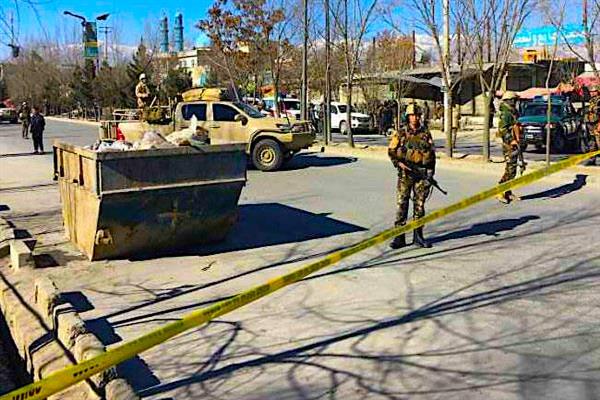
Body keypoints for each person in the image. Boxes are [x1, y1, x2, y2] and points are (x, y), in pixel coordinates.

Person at [388, 103, 436, 249]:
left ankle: (418, 235)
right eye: (412, 115)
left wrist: (430, 174)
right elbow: (391, 151)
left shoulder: (425, 133)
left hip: (421, 174)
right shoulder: (401, 133)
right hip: (405, 174)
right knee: (402, 204)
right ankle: (399, 237)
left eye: (417, 115)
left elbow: (431, 155)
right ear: (408, 117)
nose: (415, 118)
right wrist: (399, 163)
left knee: (419, 205)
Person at [496, 91, 521, 204]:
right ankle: (500, 191)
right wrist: (511, 140)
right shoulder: (506, 113)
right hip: (509, 145)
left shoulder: (512, 111)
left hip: (515, 144)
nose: (515, 102)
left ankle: (508, 192)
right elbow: (503, 130)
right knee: (510, 170)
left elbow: (516, 125)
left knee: (513, 169)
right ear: (510, 100)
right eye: (514, 100)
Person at [585, 86, 600, 165]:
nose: (592, 93)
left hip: (597, 124)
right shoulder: (592, 101)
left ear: (597, 92)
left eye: (594, 91)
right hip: (591, 125)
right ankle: (592, 159)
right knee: (592, 143)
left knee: (599, 142)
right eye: (591, 92)